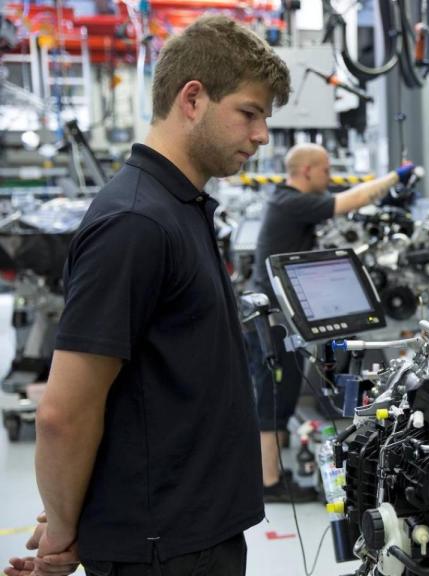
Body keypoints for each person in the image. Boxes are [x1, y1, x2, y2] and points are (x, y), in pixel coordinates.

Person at [4, 15, 290, 576]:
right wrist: (64, 530)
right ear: (193, 98)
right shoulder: (136, 222)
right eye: (249, 113)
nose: (261, 136)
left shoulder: (180, 206)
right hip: (165, 549)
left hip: (193, 531)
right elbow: (65, 412)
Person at [247, 143, 415, 502]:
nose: (330, 176)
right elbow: (347, 202)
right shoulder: (291, 203)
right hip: (274, 320)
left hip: (284, 317)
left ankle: (271, 474)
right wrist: (394, 177)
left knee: (283, 397)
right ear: (306, 171)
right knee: (274, 401)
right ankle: (269, 483)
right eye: (325, 170)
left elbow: (350, 196)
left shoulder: (288, 200)